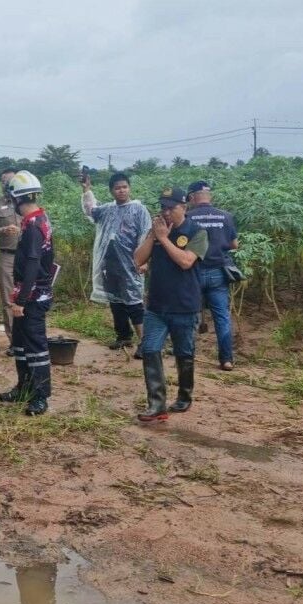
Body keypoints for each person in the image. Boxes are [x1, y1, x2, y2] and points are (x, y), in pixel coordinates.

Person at [133, 187, 208, 421]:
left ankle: (184, 396)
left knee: (184, 353)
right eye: (163, 207)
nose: (165, 212)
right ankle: (157, 404)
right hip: (156, 305)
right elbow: (137, 259)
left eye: (171, 207)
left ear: (183, 207)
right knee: (150, 349)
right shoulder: (156, 231)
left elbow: (186, 262)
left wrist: (164, 239)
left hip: (185, 305)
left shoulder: (197, 232)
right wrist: (153, 237)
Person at [0, 171, 56, 416]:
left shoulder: (33, 226)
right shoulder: (38, 218)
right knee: (20, 344)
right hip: (27, 292)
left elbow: (33, 263)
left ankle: (40, 396)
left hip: (32, 296)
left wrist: (21, 301)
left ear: (17, 200)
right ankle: (24, 387)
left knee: (35, 346)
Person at [83, 172, 153, 353]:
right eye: (117, 188)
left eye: (124, 187)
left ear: (129, 188)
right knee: (116, 302)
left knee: (134, 302)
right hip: (110, 264)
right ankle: (123, 336)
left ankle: (145, 343)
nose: (121, 191)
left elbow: (145, 235)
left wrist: (144, 260)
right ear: (111, 191)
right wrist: (87, 191)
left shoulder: (139, 210)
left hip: (131, 264)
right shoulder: (107, 209)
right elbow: (91, 211)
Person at [186, 181, 240, 370]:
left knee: (190, 314)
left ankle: (188, 356)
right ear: (210, 196)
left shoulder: (187, 216)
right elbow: (234, 245)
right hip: (219, 272)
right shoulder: (226, 216)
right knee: (222, 317)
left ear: (192, 197)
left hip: (194, 272)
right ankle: (226, 359)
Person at [0, 168, 23, 352]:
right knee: (8, 300)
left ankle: (29, 337)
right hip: (7, 256)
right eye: (3, 182)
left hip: (26, 257)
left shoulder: (26, 203)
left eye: (9, 182)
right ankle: (15, 342)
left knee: (28, 297)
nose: (6, 185)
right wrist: (2, 230)